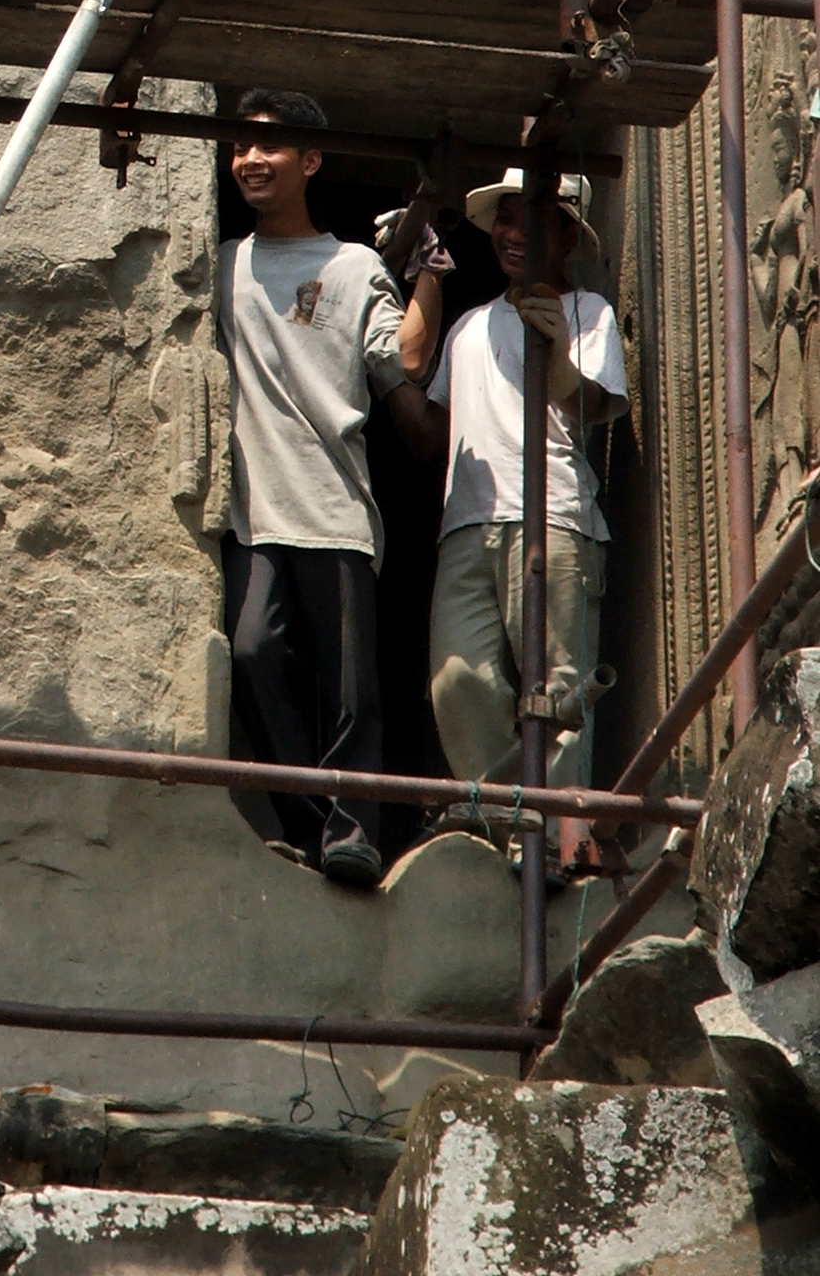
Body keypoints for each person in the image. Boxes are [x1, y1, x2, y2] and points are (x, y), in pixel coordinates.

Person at [217, 90, 448, 887]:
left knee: (349, 686)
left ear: (311, 161)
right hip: (253, 509)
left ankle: (355, 831)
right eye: (240, 146)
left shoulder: (352, 267)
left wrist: (429, 272)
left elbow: (405, 363)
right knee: (253, 655)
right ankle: (307, 824)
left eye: (269, 146)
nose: (250, 160)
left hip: (335, 505)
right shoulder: (222, 264)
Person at [390, 171, 628, 853]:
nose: (514, 233)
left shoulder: (588, 312)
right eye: (505, 218)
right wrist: (378, 353)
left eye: (534, 219)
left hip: (553, 514)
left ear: (567, 237)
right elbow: (428, 434)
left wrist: (555, 355)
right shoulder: (469, 326)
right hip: (467, 520)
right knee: (458, 681)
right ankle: (504, 830)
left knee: (557, 692)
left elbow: (589, 406)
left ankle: (555, 842)